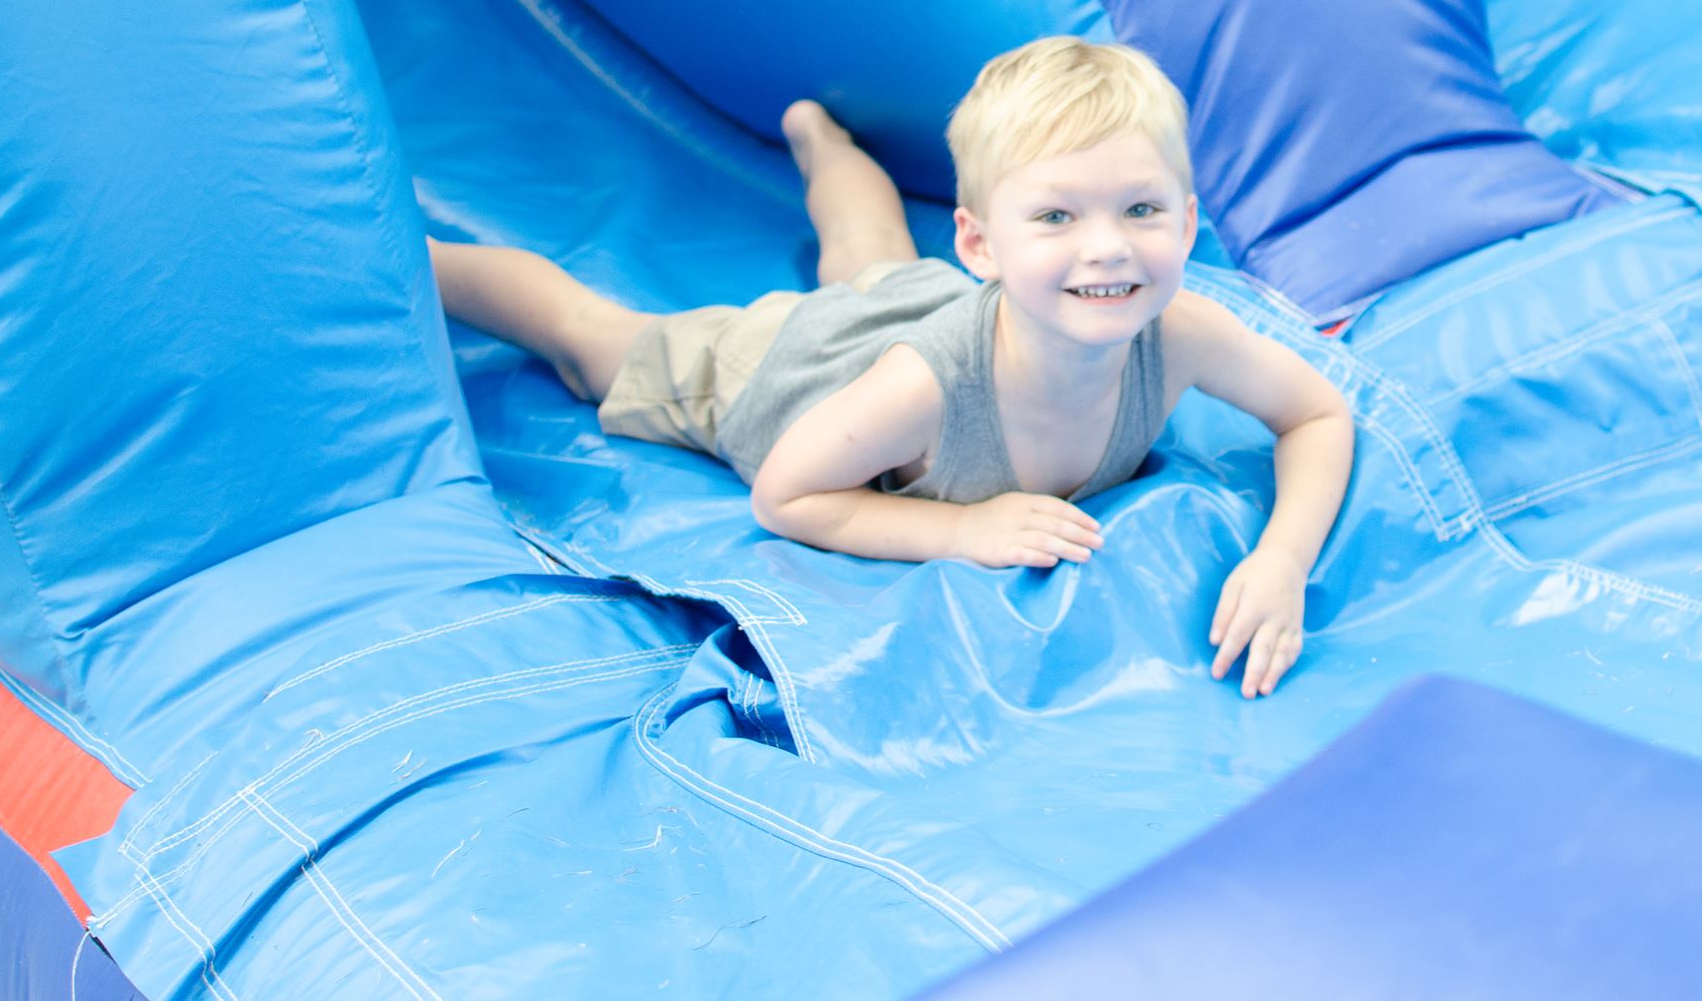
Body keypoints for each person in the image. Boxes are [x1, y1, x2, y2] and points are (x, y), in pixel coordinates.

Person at [428, 38, 1355, 697]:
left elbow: (1317, 416)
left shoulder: (1180, 330)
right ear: (981, 244)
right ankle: (416, 260)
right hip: (785, 373)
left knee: (871, 260)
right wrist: (962, 531)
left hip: (911, 303)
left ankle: (823, 142)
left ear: (1190, 223)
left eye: (1141, 210)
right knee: (590, 340)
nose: (1108, 249)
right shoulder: (927, 388)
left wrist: (1282, 560)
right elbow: (785, 497)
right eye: (1058, 218)